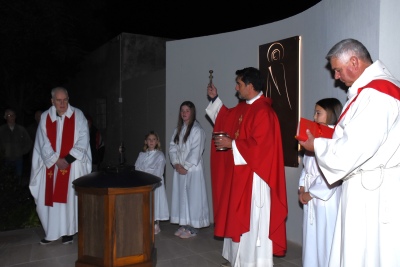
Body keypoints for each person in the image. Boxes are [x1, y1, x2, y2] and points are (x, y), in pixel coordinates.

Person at [299, 38, 400, 266]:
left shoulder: (378, 94)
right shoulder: (368, 92)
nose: (336, 76)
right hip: (367, 188)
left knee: (369, 254)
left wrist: (317, 145)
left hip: (373, 193)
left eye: (337, 70)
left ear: (354, 61)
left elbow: (353, 149)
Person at [206, 67, 288, 267]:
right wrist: (215, 99)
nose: (236, 87)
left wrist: (232, 144)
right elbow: (227, 117)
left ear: (250, 86)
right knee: (237, 216)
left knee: (251, 222)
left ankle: (253, 262)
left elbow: (261, 147)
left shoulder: (264, 112)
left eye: (239, 84)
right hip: (241, 174)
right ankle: (238, 259)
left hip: (255, 178)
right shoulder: (246, 107)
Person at [29, 87, 92, 245]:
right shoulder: (45, 117)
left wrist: (68, 159)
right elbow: (43, 142)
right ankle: (51, 232)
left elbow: (84, 138)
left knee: (70, 199)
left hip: (73, 165)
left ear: (68, 99)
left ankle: (68, 232)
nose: (62, 103)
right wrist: (56, 160)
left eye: (65, 100)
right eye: (59, 100)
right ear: (52, 101)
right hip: (51, 166)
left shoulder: (78, 115)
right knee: (50, 199)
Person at [298, 98, 343, 267]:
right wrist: (302, 186)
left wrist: (311, 192)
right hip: (310, 196)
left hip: (326, 200)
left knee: (325, 240)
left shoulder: (335, 139)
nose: (314, 117)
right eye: (315, 113)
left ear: (331, 114)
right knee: (311, 240)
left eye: (319, 113)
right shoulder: (315, 137)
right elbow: (306, 167)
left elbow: (333, 172)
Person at [169, 100, 210, 239]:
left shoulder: (197, 130)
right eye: (182, 111)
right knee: (182, 197)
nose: (184, 113)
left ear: (192, 112)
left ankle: (193, 228)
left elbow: (196, 151)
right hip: (180, 169)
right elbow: (172, 148)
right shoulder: (178, 130)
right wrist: (176, 163)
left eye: (187, 110)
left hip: (192, 170)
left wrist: (185, 166)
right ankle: (185, 224)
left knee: (193, 198)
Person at [134, 131, 169, 234]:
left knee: (155, 203)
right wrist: (142, 178)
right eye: (149, 139)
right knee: (145, 203)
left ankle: (155, 223)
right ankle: (145, 222)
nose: (151, 141)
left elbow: (159, 170)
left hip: (155, 182)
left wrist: (149, 178)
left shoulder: (159, 155)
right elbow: (137, 167)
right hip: (143, 182)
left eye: (154, 139)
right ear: (146, 142)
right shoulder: (142, 155)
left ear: (157, 141)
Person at [0, 108, 32, 184]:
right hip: (6, 160)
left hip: (18, 159)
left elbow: (29, 142)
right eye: (9, 115)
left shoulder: (21, 129)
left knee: (18, 180)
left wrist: (22, 152)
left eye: (13, 115)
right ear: (5, 117)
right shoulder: (1, 130)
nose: (12, 117)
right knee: (6, 180)